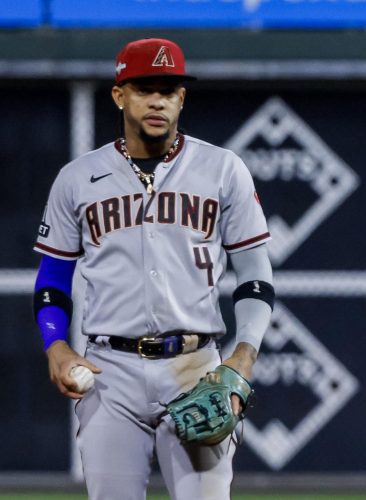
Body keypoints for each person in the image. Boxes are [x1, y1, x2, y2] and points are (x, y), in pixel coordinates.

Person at [33, 38, 274, 500]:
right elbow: (53, 280)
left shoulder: (223, 170)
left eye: (169, 88)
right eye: (145, 88)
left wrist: (242, 359)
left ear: (182, 97)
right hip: (109, 373)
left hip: (197, 368)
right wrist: (55, 346)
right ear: (119, 94)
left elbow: (256, 278)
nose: (158, 99)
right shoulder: (77, 178)